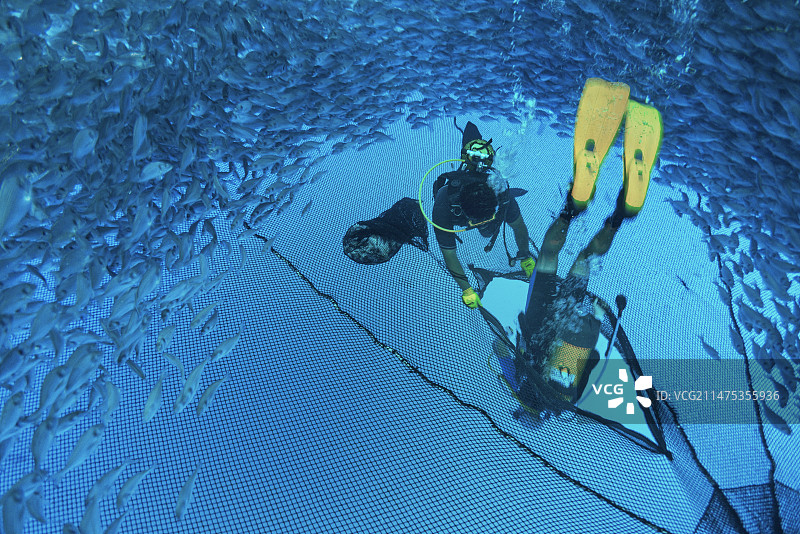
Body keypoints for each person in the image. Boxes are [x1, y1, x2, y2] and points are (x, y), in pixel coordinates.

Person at [516, 78, 663, 410]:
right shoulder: (528, 381)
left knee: (585, 260)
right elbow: (520, 342)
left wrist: (594, 320)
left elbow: (594, 360)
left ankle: (618, 217)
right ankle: (571, 208)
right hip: (539, 324)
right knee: (549, 255)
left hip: (577, 328)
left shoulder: (567, 398)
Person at [431, 122, 536, 309]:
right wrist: (466, 289)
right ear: (463, 212)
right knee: (486, 231)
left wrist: (525, 255)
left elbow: (519, 226)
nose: (480, 223)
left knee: (487, 232)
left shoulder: (502, 195)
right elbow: (449, 253)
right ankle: (471, 137)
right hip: (458, 204)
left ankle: (473, 138)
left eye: (487, 218)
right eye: (476, 221)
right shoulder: (444, 202)